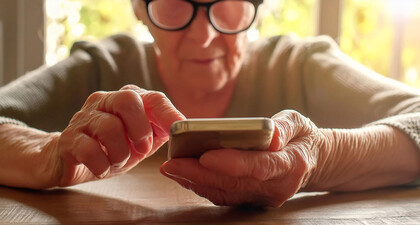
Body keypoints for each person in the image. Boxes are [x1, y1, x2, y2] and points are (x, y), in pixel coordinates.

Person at [1, 0, 420, 207]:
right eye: (174, 5)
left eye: (227, 6)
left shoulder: (301, 66)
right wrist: (47, 153)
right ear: (139, 10)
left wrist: (320, 156)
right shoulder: (101, 67)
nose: (202, 37)